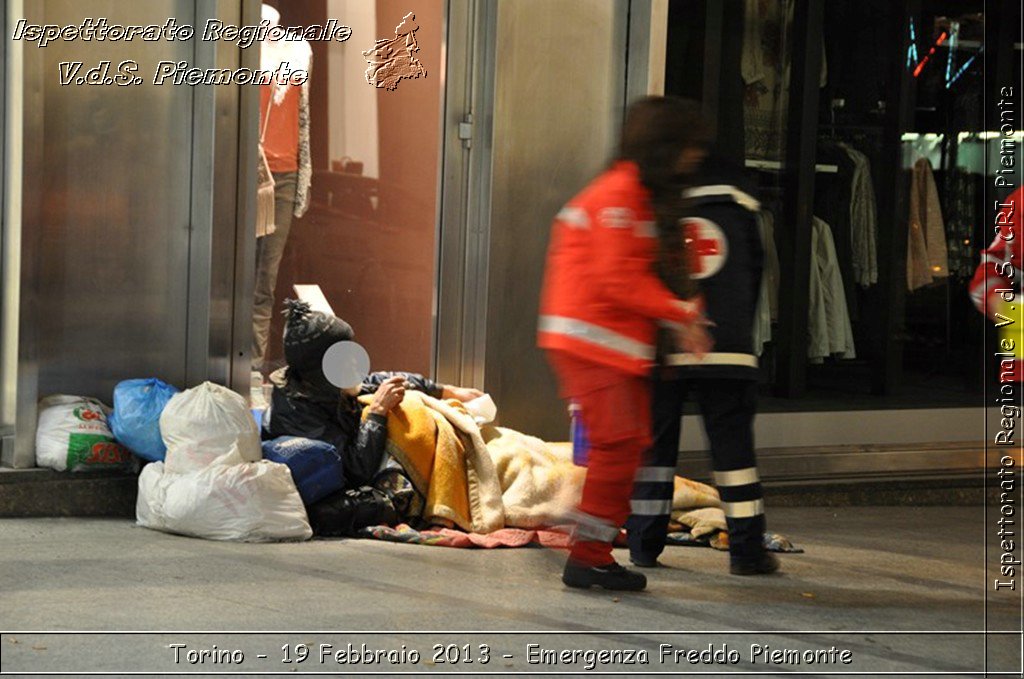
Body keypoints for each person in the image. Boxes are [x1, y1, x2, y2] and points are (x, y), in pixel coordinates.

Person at [537, 96, 713, 591]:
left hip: (604, 344)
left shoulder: (630, 194)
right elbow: (618, 279)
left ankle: (591, 550)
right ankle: (588, 554)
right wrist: (680, 312)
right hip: (593, 344)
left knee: (628, 447)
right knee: (619, 448)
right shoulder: (620, 195)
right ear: (666, 147)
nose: (693, 159)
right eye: (688, 149)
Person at [627, 154, 780, 576]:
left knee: (655, 447)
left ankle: (643, 544)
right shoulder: (743, 204)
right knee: (734, 454)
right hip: (726, 343)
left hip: (667, 339)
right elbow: (754, 276)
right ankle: (748, 552)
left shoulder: (658, 197)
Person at [265, 300, 483, 491]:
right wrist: (377, 412)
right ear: (322, 368)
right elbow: (355, 469)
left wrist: (443, 390)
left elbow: (372, 382)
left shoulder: (323, 384)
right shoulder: (297, 413)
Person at [252, 4, 314, 372]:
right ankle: (222, 364)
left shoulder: (297, 50)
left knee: (265, 280)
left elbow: (302, 119)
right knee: (233, 274)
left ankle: (252, 367)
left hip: (284, 174)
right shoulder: (234, 49)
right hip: (242, 175)